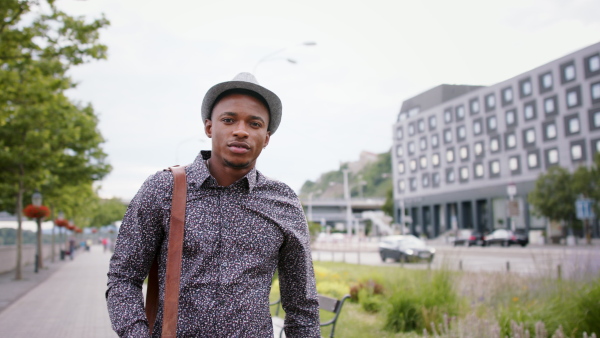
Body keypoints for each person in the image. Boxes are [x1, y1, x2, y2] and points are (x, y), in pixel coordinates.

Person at [106, 73, 320, 337]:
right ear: (209, 127)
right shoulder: (163, 189)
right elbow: (123, 277)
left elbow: (302, 305)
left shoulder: (283, 202)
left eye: (254, 124)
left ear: (266, 137)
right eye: (229, 120)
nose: (241, 130)